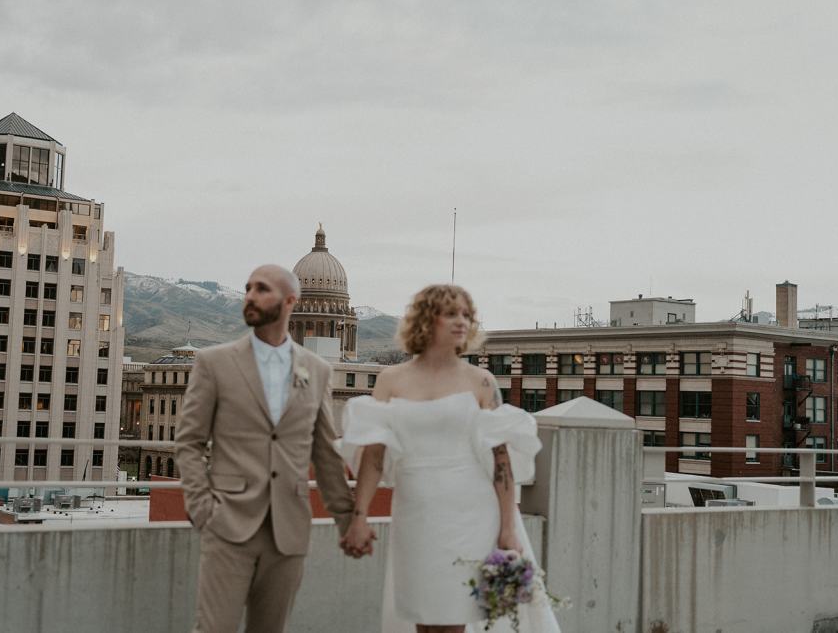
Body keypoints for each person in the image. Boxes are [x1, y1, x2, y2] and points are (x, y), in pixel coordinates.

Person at [338, 284, 560, 633]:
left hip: (470, 515)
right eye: (451, 313)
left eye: (467, 315)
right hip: (415, 515)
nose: (462, 322)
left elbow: (500, 462)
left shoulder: (481, 382)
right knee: (423, 619)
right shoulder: (390, 380)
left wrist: (507, 529)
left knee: (451, 620)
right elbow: (374, 457)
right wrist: (359, 517)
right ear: (427, 320)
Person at [175, 264, 360, 633]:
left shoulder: (317, 370)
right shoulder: (213, 363)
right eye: (248, 288)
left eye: (262, 289)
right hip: (227, 524)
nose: (250, 296)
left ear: (291, 301)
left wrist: (348, 521)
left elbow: (324, 454)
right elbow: (189, 442)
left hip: (288, 529)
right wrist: (202, 508)